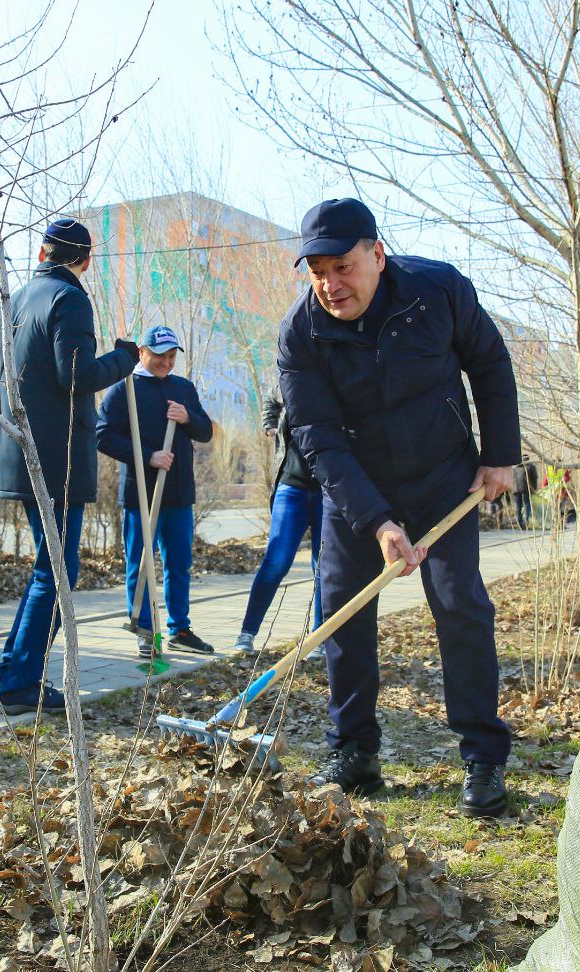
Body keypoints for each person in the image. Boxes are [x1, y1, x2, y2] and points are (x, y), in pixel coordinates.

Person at [277, 197, 520, 818]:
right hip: (357, 490)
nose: (331, 284)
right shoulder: (301, 333)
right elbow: (316, 435)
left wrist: (499, 455)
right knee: (340, 608)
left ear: (377, 255)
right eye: (318, 272)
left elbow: (490, 363)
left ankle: (482, 756)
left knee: (460, 602)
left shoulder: (436, 291)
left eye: (343, 267)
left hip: (444, 478)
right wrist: (377, 520)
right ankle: (354, 749)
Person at [0, 218, 138, 714]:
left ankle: (13, 672)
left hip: (18, 455)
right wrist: (124, 358)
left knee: (48, 570)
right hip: (59, 459)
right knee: (55, 573)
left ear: (43, 251)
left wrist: (1, 437)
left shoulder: (8, 304)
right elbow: (78, 374)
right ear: (85, 260)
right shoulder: (69, 299)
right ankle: (18, 682)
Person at [96, 324, 215, 656]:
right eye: (160, 355)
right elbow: (102, 436)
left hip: (179, 493)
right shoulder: (125, 391)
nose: (166, 362)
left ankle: (180, 629)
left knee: (179, 563)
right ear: (142, 353)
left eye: (172, 355)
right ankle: (146, 629)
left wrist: (188, 416)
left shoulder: (184, 388)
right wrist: (148, 456)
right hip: (141, 495)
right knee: (141, 563)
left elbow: (205, 432)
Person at [226, 382, 323, 655]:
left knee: (324, 565)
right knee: (276, 561)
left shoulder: (336, 377)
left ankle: (320, 637)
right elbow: (271, 398)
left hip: (329, 489)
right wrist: (270, 424)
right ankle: (246, 633)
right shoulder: (291, 376)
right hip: (291, 484)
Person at [511, 457, 539, 529]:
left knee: (518, 506)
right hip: (526, 489)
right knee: (527, 505)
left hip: (515, 489)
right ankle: (525, 522)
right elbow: (535, 478)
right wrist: (534, 489)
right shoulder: (530, 467)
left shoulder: (514, 468)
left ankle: (519, 523)